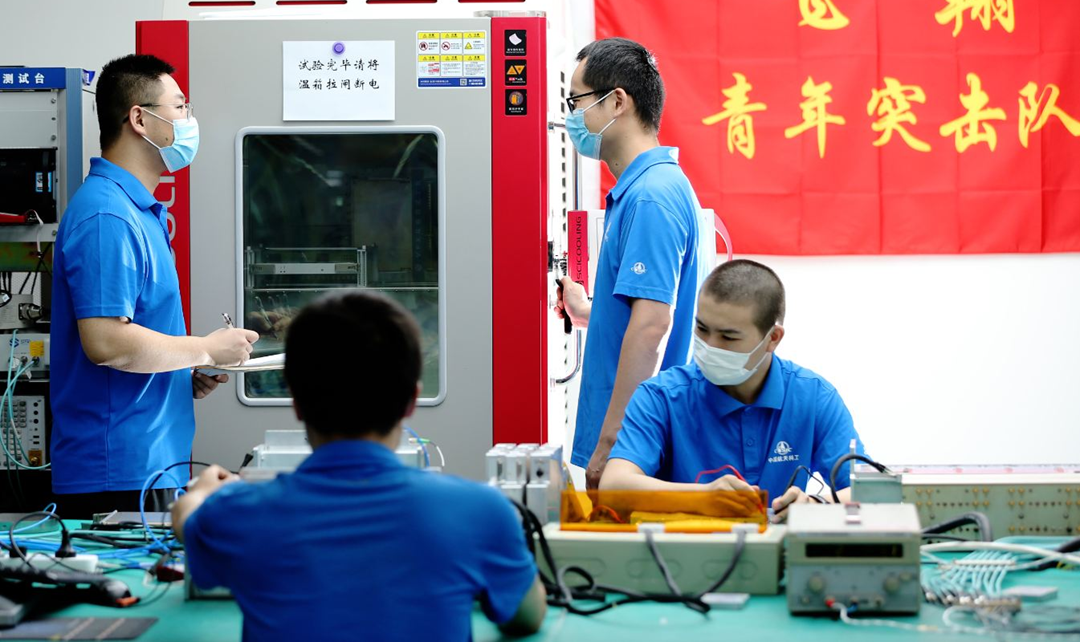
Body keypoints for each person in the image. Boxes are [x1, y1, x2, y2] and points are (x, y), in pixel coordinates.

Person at [172, 290, 546, 641]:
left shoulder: (236, 514)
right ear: (411, 402)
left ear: (297, 402)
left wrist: (203, 492)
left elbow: (185, 520)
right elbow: (525, 617)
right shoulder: (482, 511)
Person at [49, 54, 258, 517]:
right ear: (140, 119)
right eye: (180, 107)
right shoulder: (106, 216)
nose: (188, 120)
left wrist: (181, 372)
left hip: (150, 464)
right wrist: (205, 348)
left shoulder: (136, 210)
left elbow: (134, 337)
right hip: (117, 472)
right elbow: (106, 343)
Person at [599, 260, 866, 520]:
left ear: (772, 338)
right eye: (702, 328)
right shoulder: (661, 397)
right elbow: (613, 488)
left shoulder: (814, 398)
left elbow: (870, 491)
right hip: (683, 549)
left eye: (728, 336)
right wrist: (703, 498)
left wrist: (815, 505)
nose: (709, 346)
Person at [555, 37, 706, 489]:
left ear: (617, 101)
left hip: (634, 452)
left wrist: (613, 444)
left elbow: (652, 326)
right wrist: (588, 312)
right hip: (634, 446)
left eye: (577, 101)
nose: (572, 116)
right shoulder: (646, 189)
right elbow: (643, 308)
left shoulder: (651, 197)